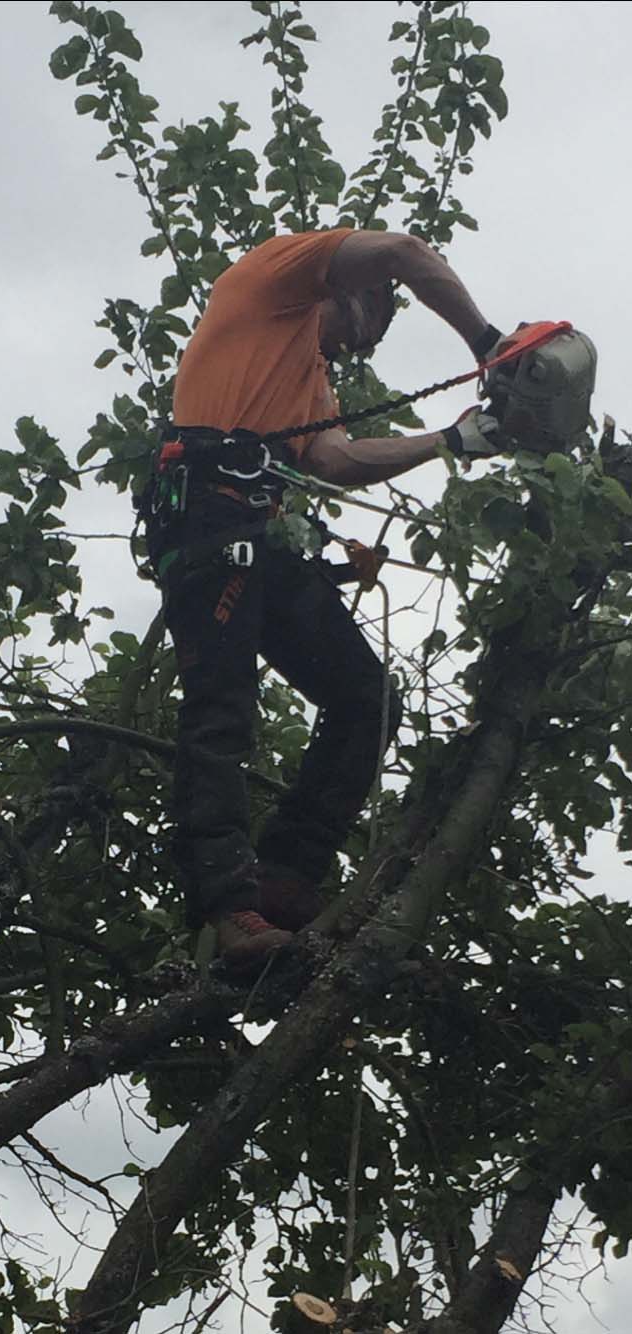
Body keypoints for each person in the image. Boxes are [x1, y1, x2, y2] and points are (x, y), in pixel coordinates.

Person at [145, 227, 502, 968]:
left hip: (260, 534)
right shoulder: (272, 279)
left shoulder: (312, 376)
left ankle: (283, 878)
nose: (366, 340)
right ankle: (226, 904)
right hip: (209, 517)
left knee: (366, 696)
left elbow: (336, 459)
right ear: (350, 288)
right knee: (223, 704)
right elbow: (404, 251)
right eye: (375, 315)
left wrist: (454, 441)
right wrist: (489, 342)